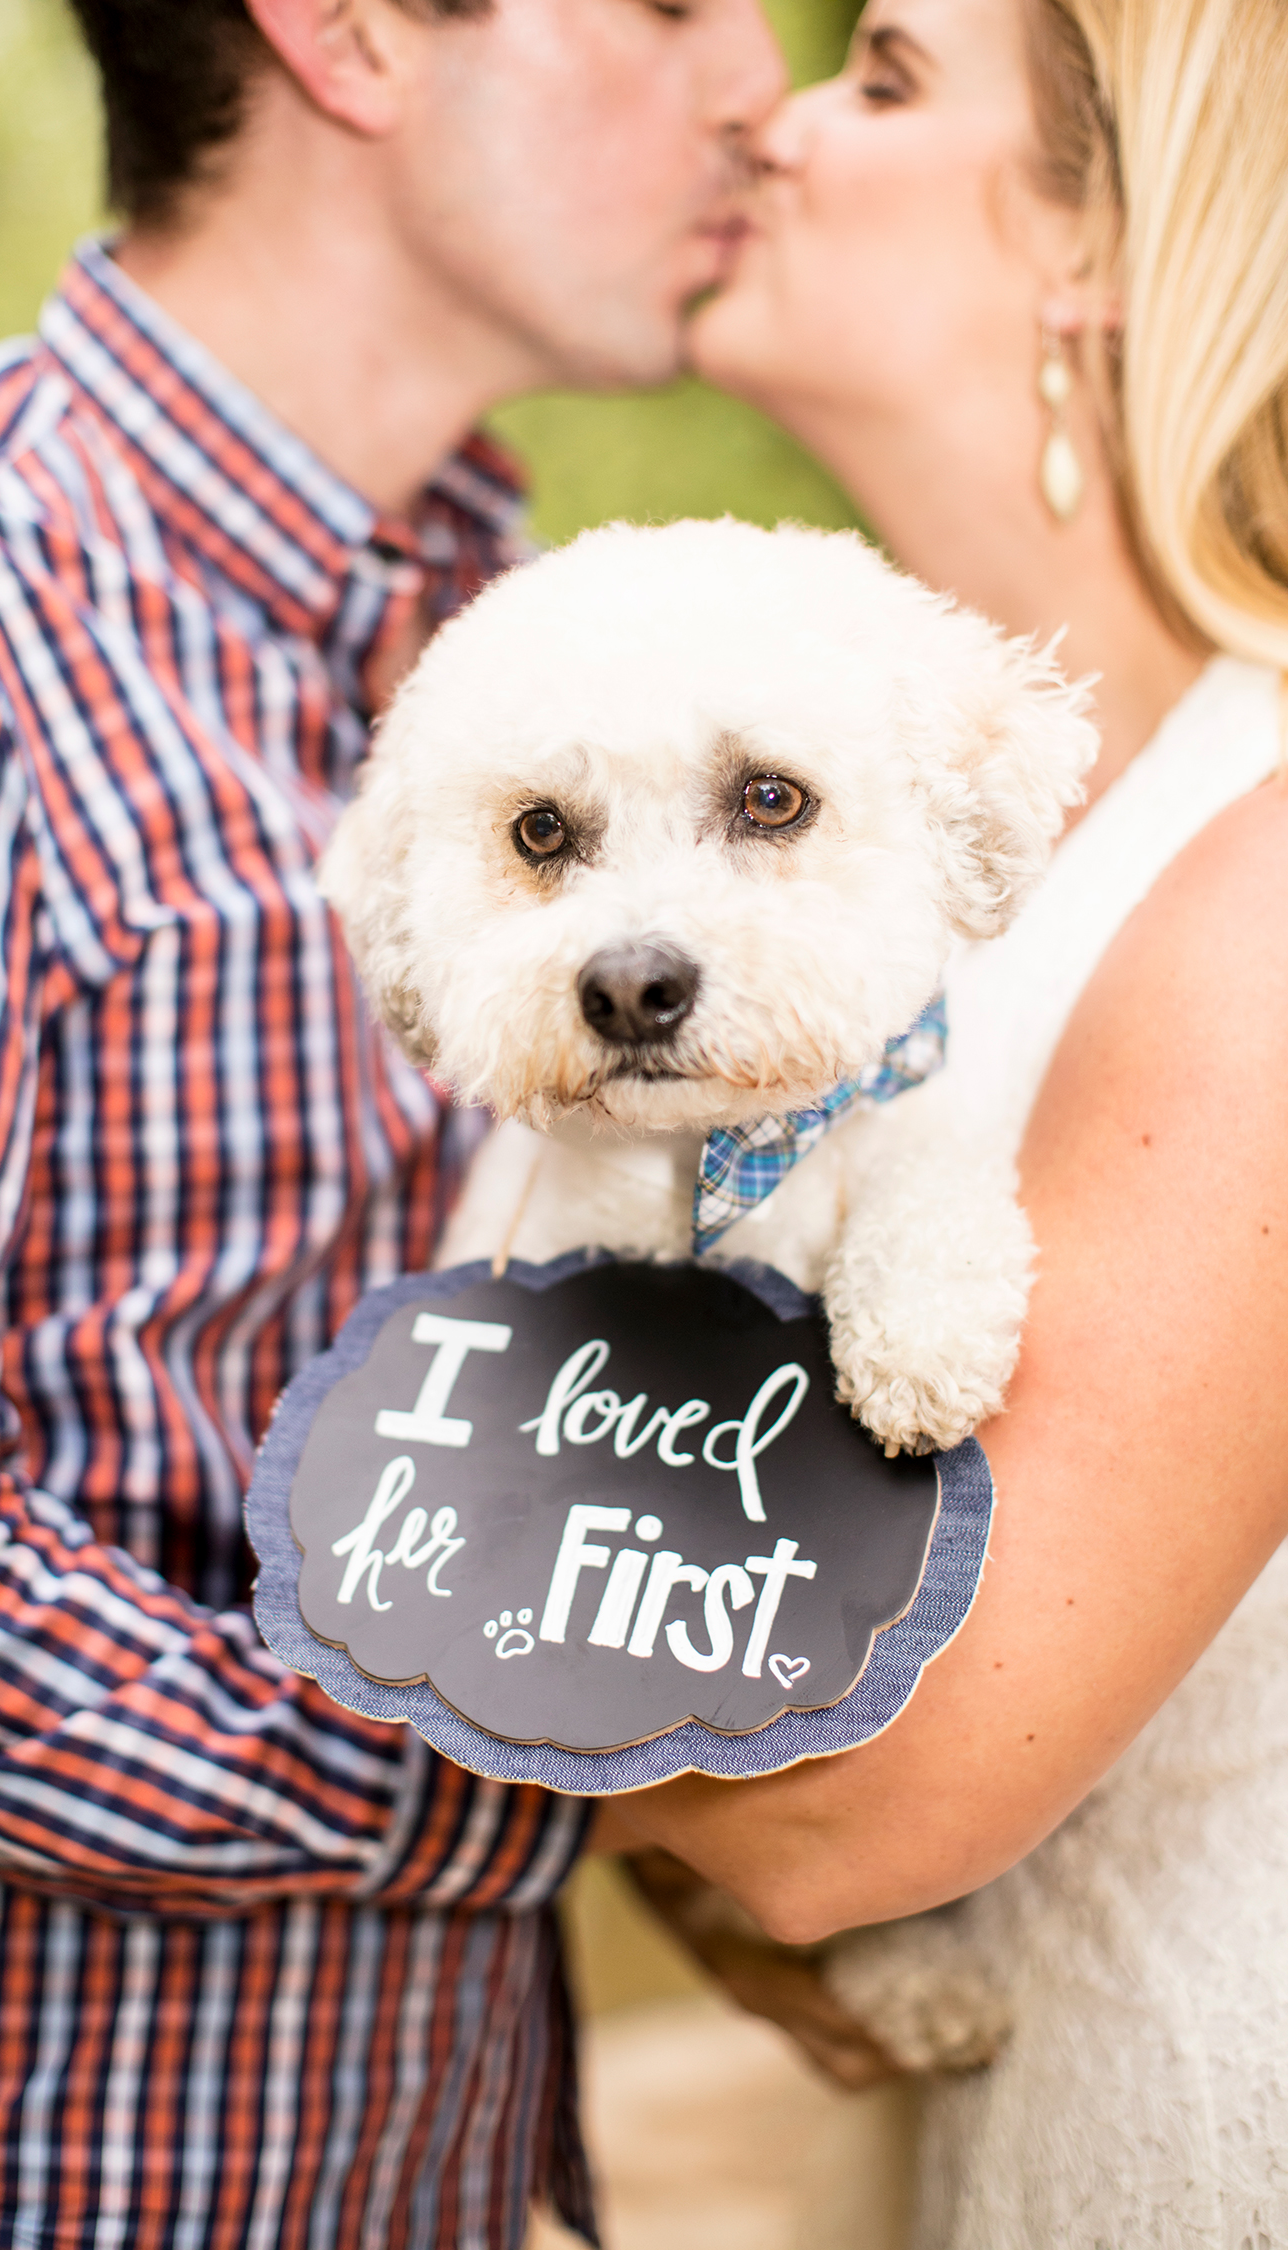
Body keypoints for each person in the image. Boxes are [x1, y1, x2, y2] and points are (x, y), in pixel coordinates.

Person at [0, 2, 784, 2245]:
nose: (755, 80)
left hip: (435, 2167)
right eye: (663, 4)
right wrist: (516, 1785)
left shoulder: (500, 611)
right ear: (346, 35)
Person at [591, 0, 1288, 2237]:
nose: (770, 123)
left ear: (1098, 238)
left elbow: (867, 1781)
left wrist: (312, 1657)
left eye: (881, 75)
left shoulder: (1267, 871)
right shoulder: (860, 872)